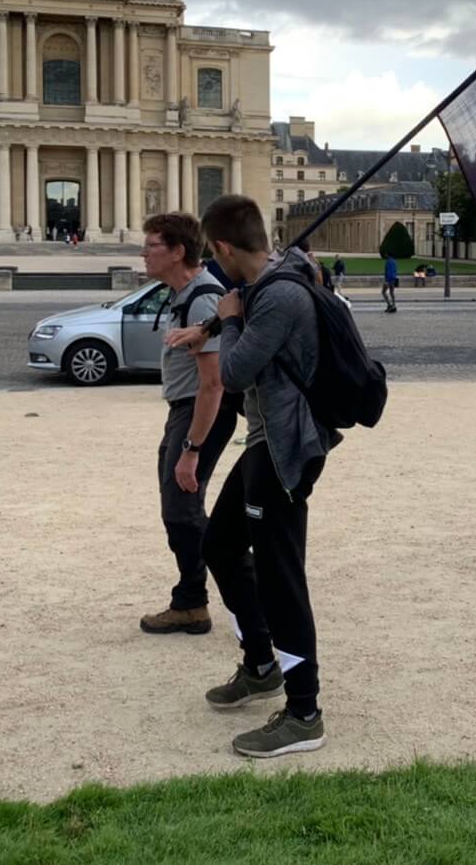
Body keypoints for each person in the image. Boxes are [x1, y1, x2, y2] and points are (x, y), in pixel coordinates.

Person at [166, 195, 336, 758]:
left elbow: (236, 373)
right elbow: (241, 310)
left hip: (288, 448)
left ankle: (304, 712)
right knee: (219, 542)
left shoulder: (282, 293)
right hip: (266, 442)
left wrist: (229, 324)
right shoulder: (275, 280)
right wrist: (212, 326)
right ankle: (261, 663)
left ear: (220, 249)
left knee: (281, 574)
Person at [138, 212, 241, 639]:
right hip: (185, 411)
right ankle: (193, 601)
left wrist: (192, 449)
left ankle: (228, 595)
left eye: (151, 246)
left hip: (199, 414)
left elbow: (213, 385)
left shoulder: (201, 299)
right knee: (180, 510)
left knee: (182, 510)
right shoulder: (184, 294)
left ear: (178, 251)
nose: (143, 254)